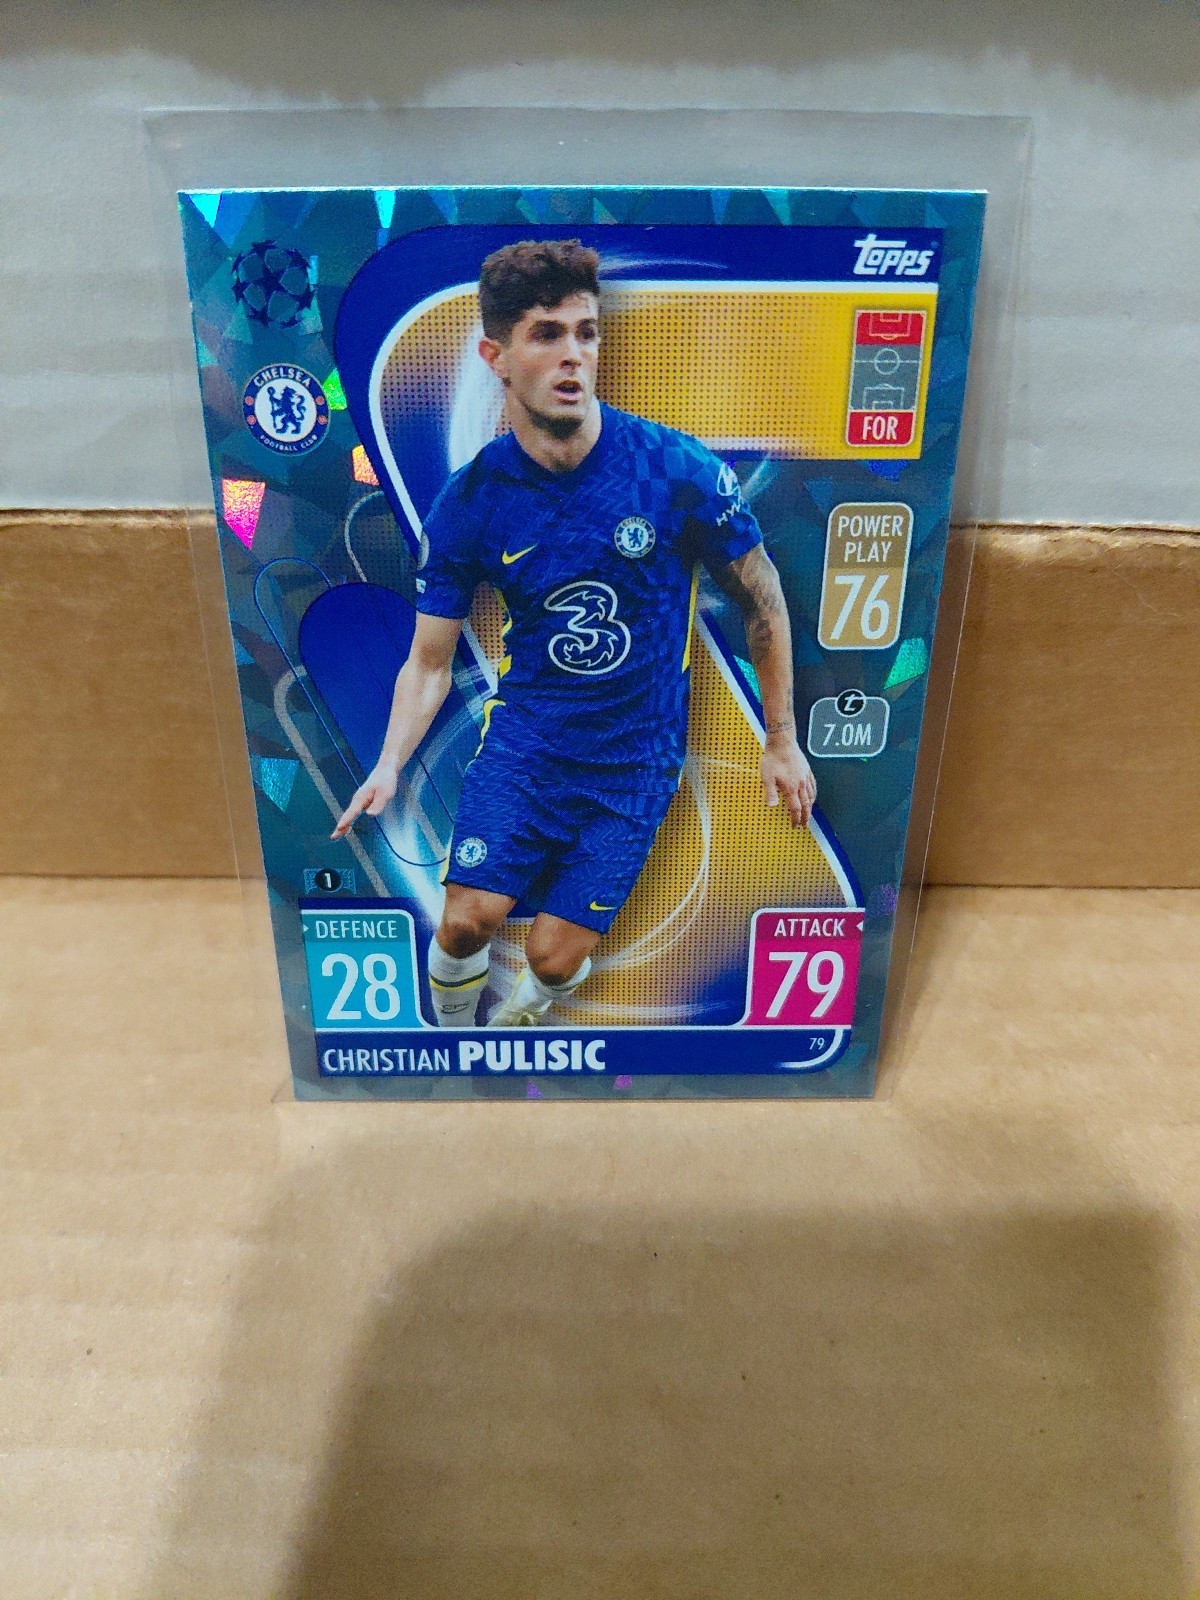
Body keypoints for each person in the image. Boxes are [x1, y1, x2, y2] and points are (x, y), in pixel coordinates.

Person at [333, 239, 815, 1027]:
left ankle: (519, 1022)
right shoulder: (472, 501)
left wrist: (781, 739)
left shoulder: (675, 471)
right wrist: (389, 763)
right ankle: (457, 1042)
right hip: (527, 749)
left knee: (554, 960)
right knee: (466, 923)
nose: (573, 355)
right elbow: (429, 661)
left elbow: (764, 602)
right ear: (495, 356)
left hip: (635, 764)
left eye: (586, 333)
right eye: (546, 334)